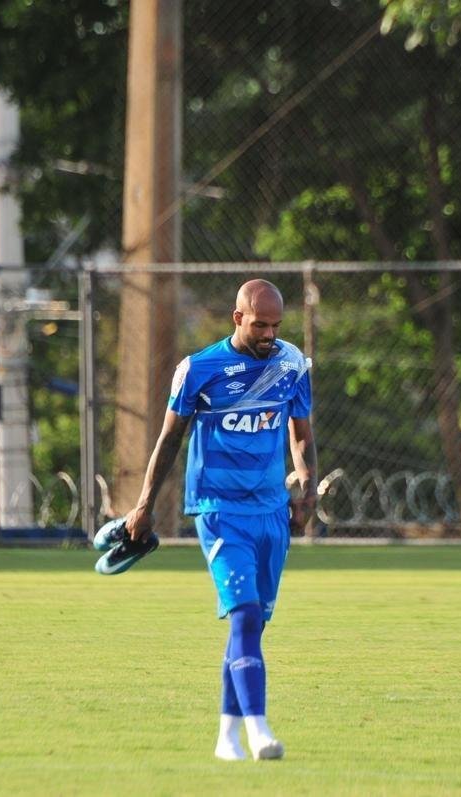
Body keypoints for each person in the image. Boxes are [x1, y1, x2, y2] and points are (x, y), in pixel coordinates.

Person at [123, 278, 318, 761]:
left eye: (276, 325)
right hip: (218, 510)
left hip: (271, 510)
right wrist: (144, 504)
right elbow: (169, 441)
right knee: (246, 615)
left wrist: (306, 487)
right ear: (238, 319)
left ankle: (226, 737)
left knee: (249, 627)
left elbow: (302, 432)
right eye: (260, 325)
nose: (269, 334)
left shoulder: (292, 364)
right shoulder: (199, 369)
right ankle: (259, 732)